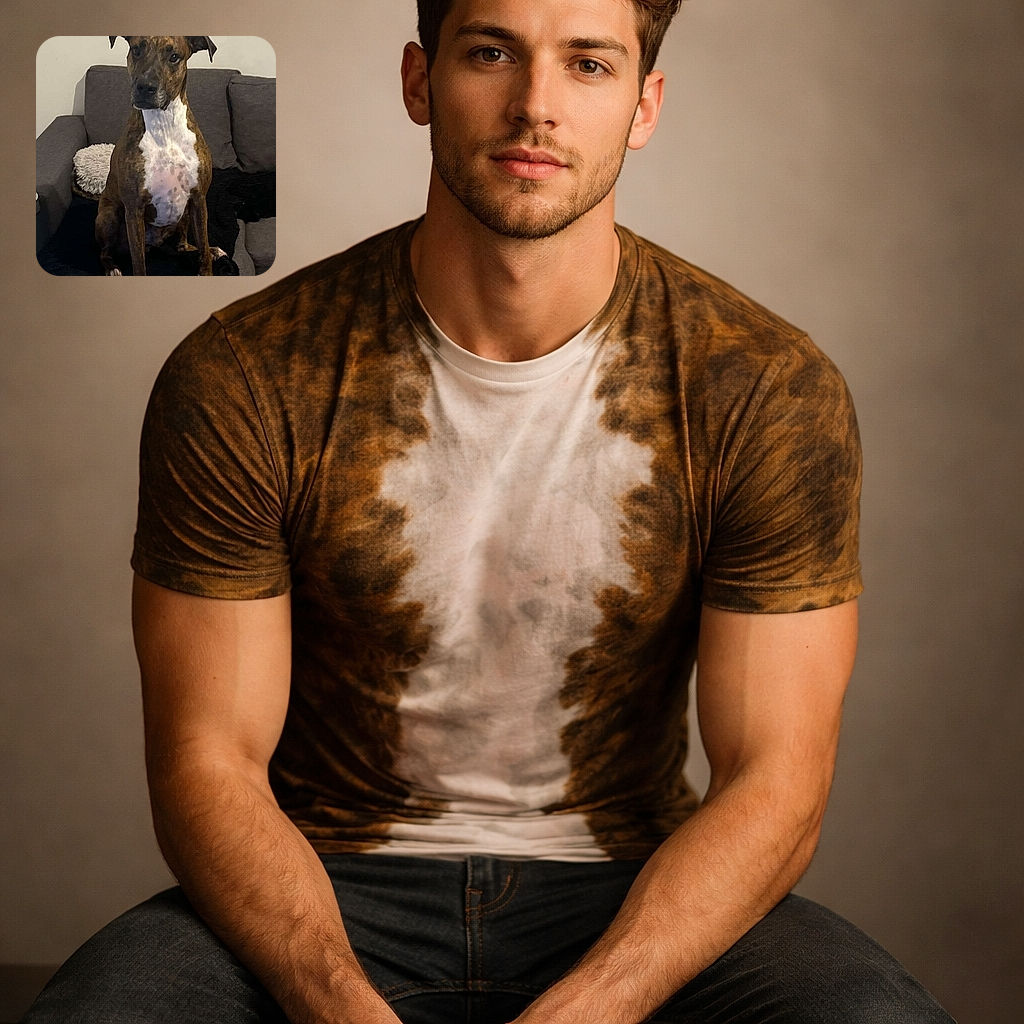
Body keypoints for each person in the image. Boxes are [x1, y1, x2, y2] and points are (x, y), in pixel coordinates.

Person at [24, 2, 954, 1022]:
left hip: (637, 889)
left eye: (588, 65)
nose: (535, 105)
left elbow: (774, 780)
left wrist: (599, 1003)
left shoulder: (761, 387)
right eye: (491, 52)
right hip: (316, 880)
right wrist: (333, 997)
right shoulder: (247, 376)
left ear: (644, 105)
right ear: (419, 82)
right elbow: (209, 763)